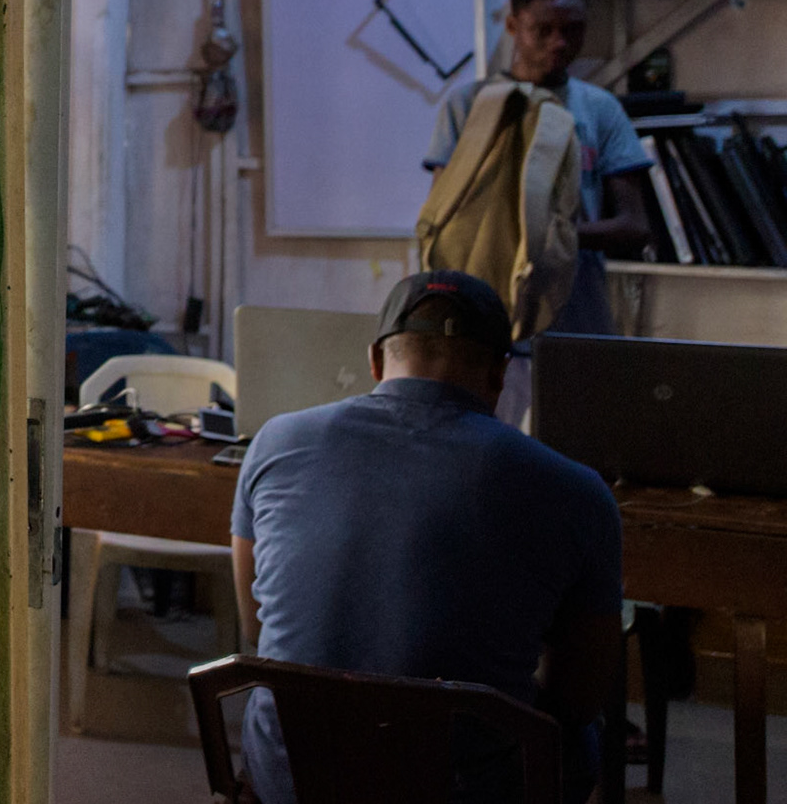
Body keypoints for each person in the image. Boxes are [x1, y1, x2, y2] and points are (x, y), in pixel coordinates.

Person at [231, 270, 622, 804]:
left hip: (295, 778)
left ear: (374, 360)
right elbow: (578, 696)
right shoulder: (576, 491)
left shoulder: (273, 444)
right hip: (462, 791)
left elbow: (256, 628)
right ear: (500, 374)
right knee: (579, 736)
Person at [425, 0, 650, 422]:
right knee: (492, 466)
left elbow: (635, 226)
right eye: (542, 29)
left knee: (583, 461)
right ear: (512, 25)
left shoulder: (600, 110)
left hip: (578, 325)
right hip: (487, 330)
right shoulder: (468, 106)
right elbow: (445, 218)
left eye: (573, 30)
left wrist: (550, 238)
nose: (559, 43)